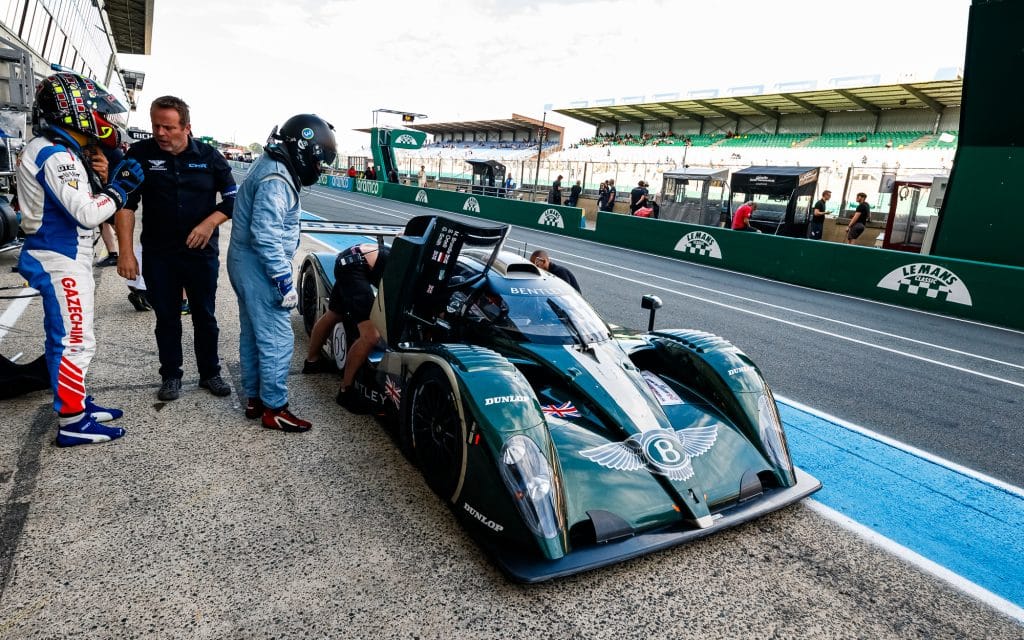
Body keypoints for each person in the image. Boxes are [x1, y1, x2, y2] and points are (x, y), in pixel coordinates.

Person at [17, 71, 144, 446]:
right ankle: (73, 420)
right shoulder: (56, 154)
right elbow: (88, 213)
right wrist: (120, 189)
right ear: (75, 111)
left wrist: (107, 182)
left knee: (69, 338)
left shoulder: (56, 148)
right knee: (75, 341)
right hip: (59, 257)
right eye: (97, 110)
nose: (105, 118)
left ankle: (77, 403)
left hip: (63, 255)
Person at [115, 96, 238, 402]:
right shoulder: (140, 154)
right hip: (159, 254)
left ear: (186, 127)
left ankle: (210, 373)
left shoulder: (210, 157)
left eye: (168, 127)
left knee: (205, 317)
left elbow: (235, 199)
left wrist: (210, 222)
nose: (160, 133)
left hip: (201, 254)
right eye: (156, 125)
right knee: (166, 318)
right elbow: (126, 204)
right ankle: (171, 375)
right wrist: (126, 253)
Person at [228, 114, 337, 432]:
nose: (319, 168)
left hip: (244, 263)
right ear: (305, 150)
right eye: (320, 161)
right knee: (277, 339)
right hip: (259, 268)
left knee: (254, 334)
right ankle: (275, 407)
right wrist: (283, 280)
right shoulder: (277, 180)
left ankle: (255, 399)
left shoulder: (271, 164)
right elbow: (265, 235)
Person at [304, 243, 391, 413]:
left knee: (334, 313)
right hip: (356, 268)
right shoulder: (412, 269)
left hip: (348, 258)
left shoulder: (409, 251)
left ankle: (311, 362)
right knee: (371, 335)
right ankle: (346, 391)